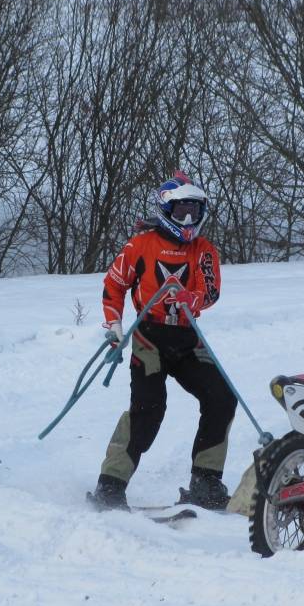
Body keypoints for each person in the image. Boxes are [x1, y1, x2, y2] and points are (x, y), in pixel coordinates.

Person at [88, 171, 237, 512]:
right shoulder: (140, 245)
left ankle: (206, 481)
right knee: (148, 408)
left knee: (222, 398)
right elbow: (114, 284)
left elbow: (211, 290)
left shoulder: (204, 250)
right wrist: (114, 324)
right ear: (166, 210)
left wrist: (192, 298)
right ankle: (111, 483)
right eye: (181, 211)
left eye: (194, 212)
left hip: (187, 338)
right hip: (149, 337)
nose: (188, 219)